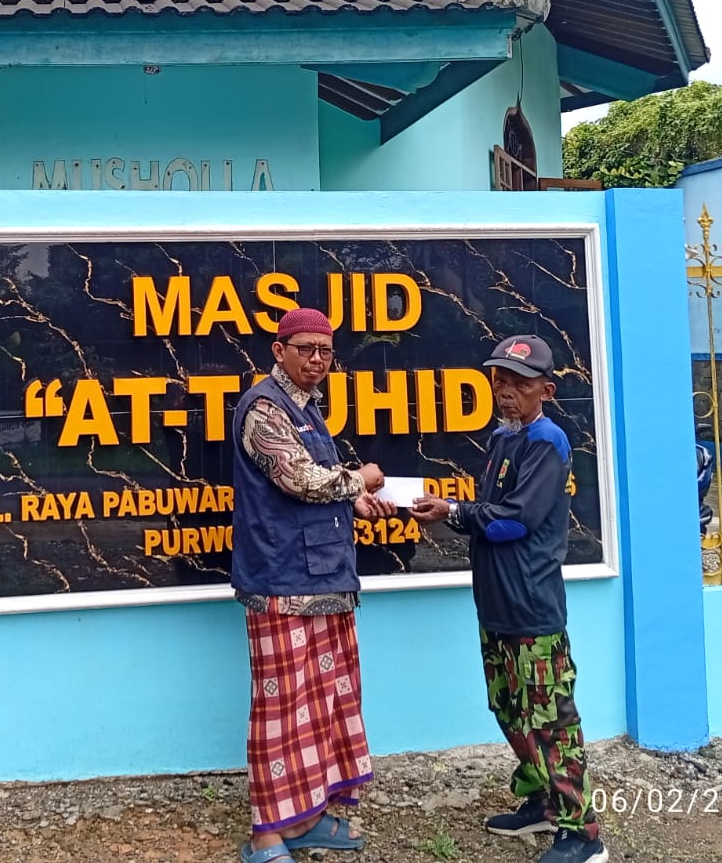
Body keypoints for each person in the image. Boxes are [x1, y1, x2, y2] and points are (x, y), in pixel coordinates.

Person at [411, 334, 607, 863]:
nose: (506, 391)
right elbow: (491, 514)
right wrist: (453, 513)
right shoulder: (504, 438)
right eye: (500, 381)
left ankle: (582, 833)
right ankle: (542, 801)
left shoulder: (547, 443)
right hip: (497, 606)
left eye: (519, 383)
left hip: (531, 609)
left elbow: (513, 522)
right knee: (509, 708)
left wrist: (454, 512)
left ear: (546, 390)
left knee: (550, 721)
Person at [230, 306, 394, 863]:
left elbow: (321, 486)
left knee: (323, 704)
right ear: (279, 351)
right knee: (281, 711)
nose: (317, 359)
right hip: (281, 584)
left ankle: (306, 819)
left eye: (325, 351)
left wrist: (357, 502)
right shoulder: (262, 408)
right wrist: (359, 479)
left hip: (324, 578)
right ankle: (266, 835)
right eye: (305, 349)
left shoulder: (307, 408)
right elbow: (298, 480)